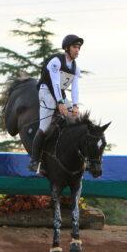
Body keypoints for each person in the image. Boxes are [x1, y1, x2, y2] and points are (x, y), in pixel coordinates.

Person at [28, 34, 83, 172]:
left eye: (79, 48)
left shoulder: (75, 68)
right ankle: (34, 161)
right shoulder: (56, 61)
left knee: (76, 118)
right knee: (44, 126)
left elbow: (75, 88)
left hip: (60, 94)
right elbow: (55, 83)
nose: (77, 50)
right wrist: (60, 103)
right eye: (75, 47)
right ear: (67, 48)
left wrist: (75, 105)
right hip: (46, 90)